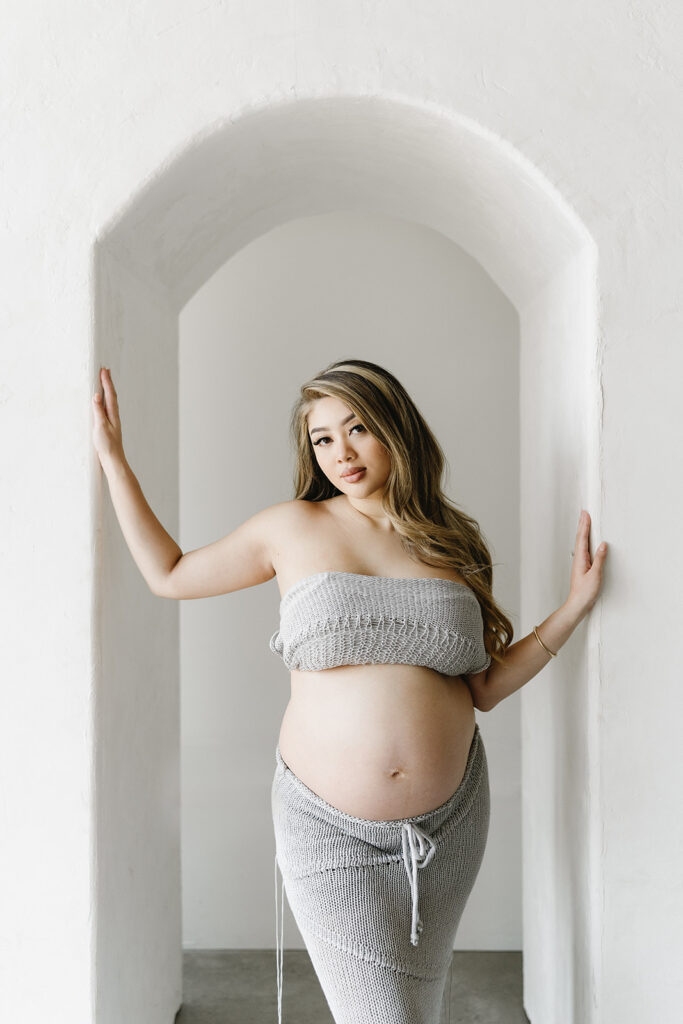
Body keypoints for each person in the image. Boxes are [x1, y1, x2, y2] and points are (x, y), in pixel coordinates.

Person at [91, 357, 608, 1024]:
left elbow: (482, 686)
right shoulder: (290, 528)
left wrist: (570, 609)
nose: (341, 452)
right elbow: (169, 573)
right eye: (322, 438)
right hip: (326, 825)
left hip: (448, 828)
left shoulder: (451, 544)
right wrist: (115, 462)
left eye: (357, 427)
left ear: (396, 427)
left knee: (415, 1012)